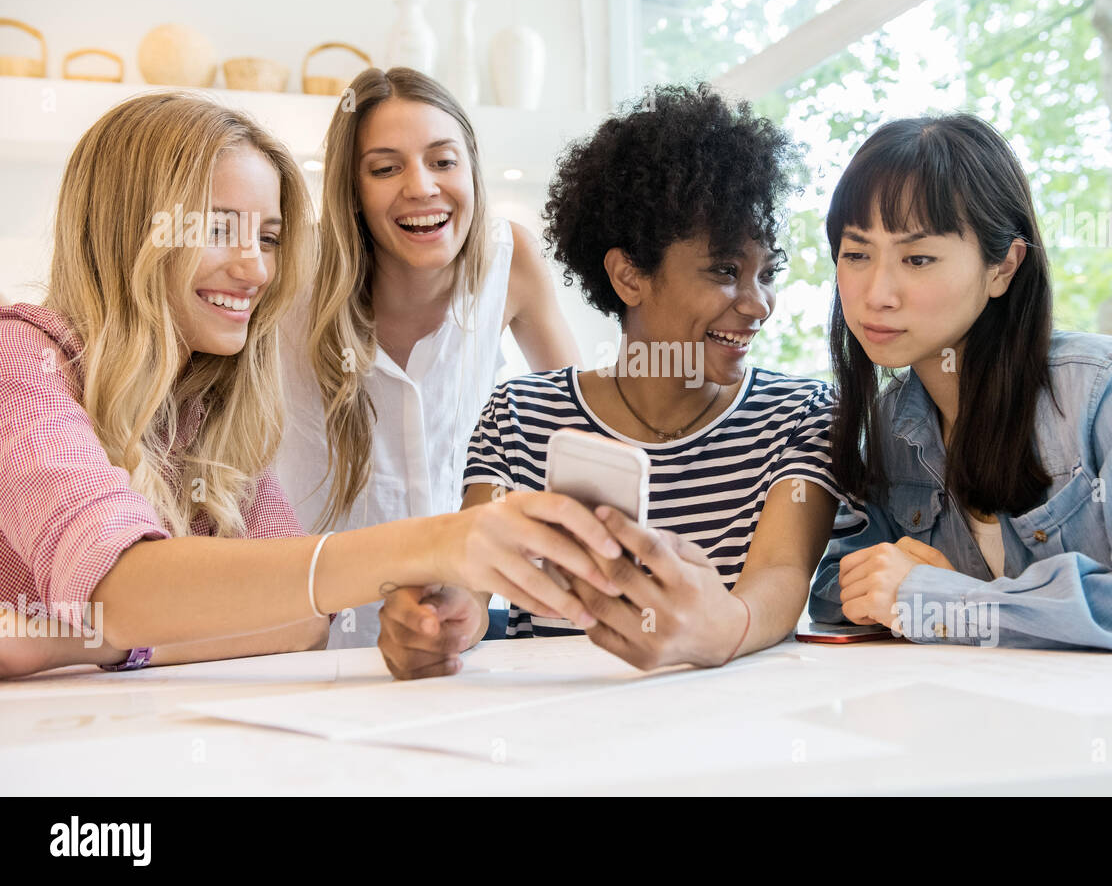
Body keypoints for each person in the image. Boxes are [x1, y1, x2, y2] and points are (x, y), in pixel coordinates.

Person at [0, 93, 616, 679]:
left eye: (267, 237)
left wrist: (74, 641)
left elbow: (301, 622)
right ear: (128, 230)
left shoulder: (206, 400)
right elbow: (125, 584)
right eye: (217, 230)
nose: (256, 269)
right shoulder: (20, 360)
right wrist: (435, 542)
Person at [376, 83, 868, 679]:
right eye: (724, 271)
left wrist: (721, 629)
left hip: (734, 737)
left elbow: (781, 576)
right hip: (558, 738)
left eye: (767, 273)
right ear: (629, 276)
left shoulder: (800, 414)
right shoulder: (520, 415)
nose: (758, 304)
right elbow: (474, 585)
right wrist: (442, 620)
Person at [809, 113, 1112, 653]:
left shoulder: (1103, 390)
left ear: (1003, 267)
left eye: (918, 258)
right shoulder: (888, 427)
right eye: (857, 254)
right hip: (1000, 723)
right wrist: (927, 594)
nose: (877, 292)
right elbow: (839, 594)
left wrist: (946, 601)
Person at [275, 67, 580, 649]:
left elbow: (577, 427)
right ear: (353, 191)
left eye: (443, 161)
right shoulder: (292, 273)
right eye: (386, 168)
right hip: (311, 631)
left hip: (457, 624)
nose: (421, 187)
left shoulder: (507, 259)